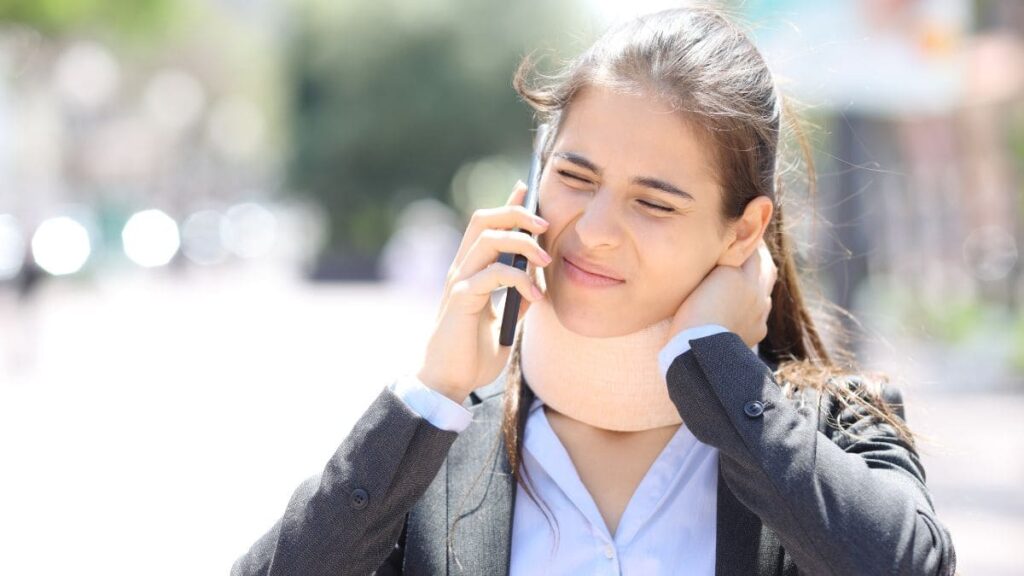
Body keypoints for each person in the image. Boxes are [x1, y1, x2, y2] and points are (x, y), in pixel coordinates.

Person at [231, 7, 957, 576]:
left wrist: (722, 374)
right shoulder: (433, 450)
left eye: (655, 202)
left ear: (743, 233)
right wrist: (434, 390)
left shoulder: (836, 430)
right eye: (575, 177)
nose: (595, 229)